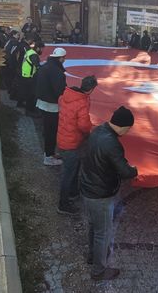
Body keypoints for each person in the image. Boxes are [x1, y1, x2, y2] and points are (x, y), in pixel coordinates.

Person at [80, 106, 138, 281]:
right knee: (102, 233)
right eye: (128, 129)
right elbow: (124, 171)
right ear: (122, 126)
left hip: (87, 188)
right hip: (100, 194)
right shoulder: (112, 143)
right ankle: (99, 271)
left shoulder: (98, 131)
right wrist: (135, 170)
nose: (127, 132)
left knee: (93, 226)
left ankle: (92, 256)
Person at [57, 75, 98, 215]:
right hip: (72, 142)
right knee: (68, 173)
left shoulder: (65, 96)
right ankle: (63, 204)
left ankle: (73, 193)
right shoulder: (82, 102)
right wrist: (91, 130)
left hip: (63, 138)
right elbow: (83, 125)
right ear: (92, 89)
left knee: (73, 168)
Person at [36, 47, 68, 166]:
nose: (64, 60)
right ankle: (48, 156)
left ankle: (49, 153)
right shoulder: (57, 72)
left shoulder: (45, 67)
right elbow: (59, 90)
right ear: (60, 58)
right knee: (51, 131)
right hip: (51, 105)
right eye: (64, 58)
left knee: (48, 129)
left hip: (42, 102)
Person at [18, 41, 44, 115]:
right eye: (41, 49)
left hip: (25, 73)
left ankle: (21, 104)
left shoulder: (29, 51)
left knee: (25, 92)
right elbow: (37, 66)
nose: (42, 51)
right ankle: (29, 110)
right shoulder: (34, 55)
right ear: (38, 48)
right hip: (29, 76)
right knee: (31, 94)